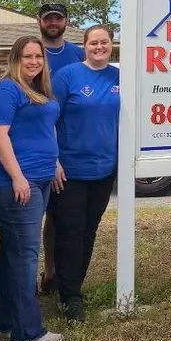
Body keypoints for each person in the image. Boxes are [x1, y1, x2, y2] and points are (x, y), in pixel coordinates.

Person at [0, 36, 63, 341]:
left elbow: (46, 127)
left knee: (13, 250)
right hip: (8, 183)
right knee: (26, 254)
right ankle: (26, 333)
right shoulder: (6, 90)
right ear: (16, 59)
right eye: (27, 56)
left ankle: (1, 320)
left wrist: (54, 163)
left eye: (38, 56)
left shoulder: (41, 90)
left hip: (39, 178)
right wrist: (17, 177)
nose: (34, 61)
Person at [50, 25, 119, 321]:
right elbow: (48, 120)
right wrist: (53, 160)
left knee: (88, 231)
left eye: (104, 42)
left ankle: (73, 287)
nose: (99, 47)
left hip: (104, 170)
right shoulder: (67, 76)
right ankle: (69, 297)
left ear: (112, 45)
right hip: (70, 171)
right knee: (70, 233)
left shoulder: (119, 77)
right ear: (85, 46)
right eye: (94, 43)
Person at [37, 1, 84, 295]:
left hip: (72, 143)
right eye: (48, 18)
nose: (53, 22)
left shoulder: (78, 54)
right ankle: (49, 269)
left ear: (66, 20)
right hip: (39, 139)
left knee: (61, 214)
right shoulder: (31, 53)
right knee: (40, 214)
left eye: (58, 18)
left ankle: (60, 274)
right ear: (39, 20)